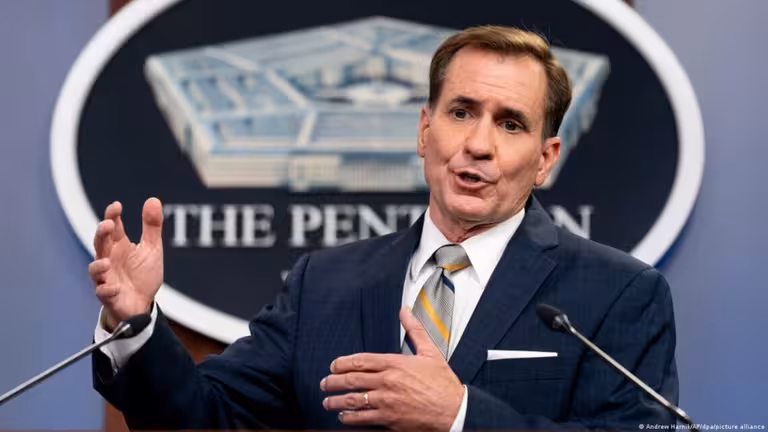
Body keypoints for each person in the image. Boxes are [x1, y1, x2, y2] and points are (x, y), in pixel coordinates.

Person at [89, 25, 678, 430]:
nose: (478, 144)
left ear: (545, 159)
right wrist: (134, 323)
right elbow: (203, 416)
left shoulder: (615, 293)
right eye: (461, 112)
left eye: (510, 124)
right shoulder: (325, 285)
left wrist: (460, 416)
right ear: (425, 131)